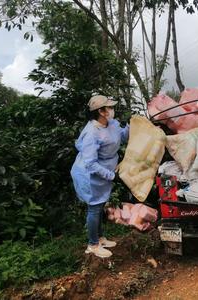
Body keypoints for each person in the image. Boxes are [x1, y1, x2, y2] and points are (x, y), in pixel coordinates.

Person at [71, 95, 130, 258]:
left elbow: (123, 136)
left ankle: (100, 238)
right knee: (94, 208)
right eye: (109, 107)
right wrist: (112, 176)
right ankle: (92, 244)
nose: (112, 110)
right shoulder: (92, 132)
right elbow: (90, 163)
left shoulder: (112, 123)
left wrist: (132, 125)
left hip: (105, 171)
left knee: (100, 204)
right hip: (89, 174)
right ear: (101, 111)